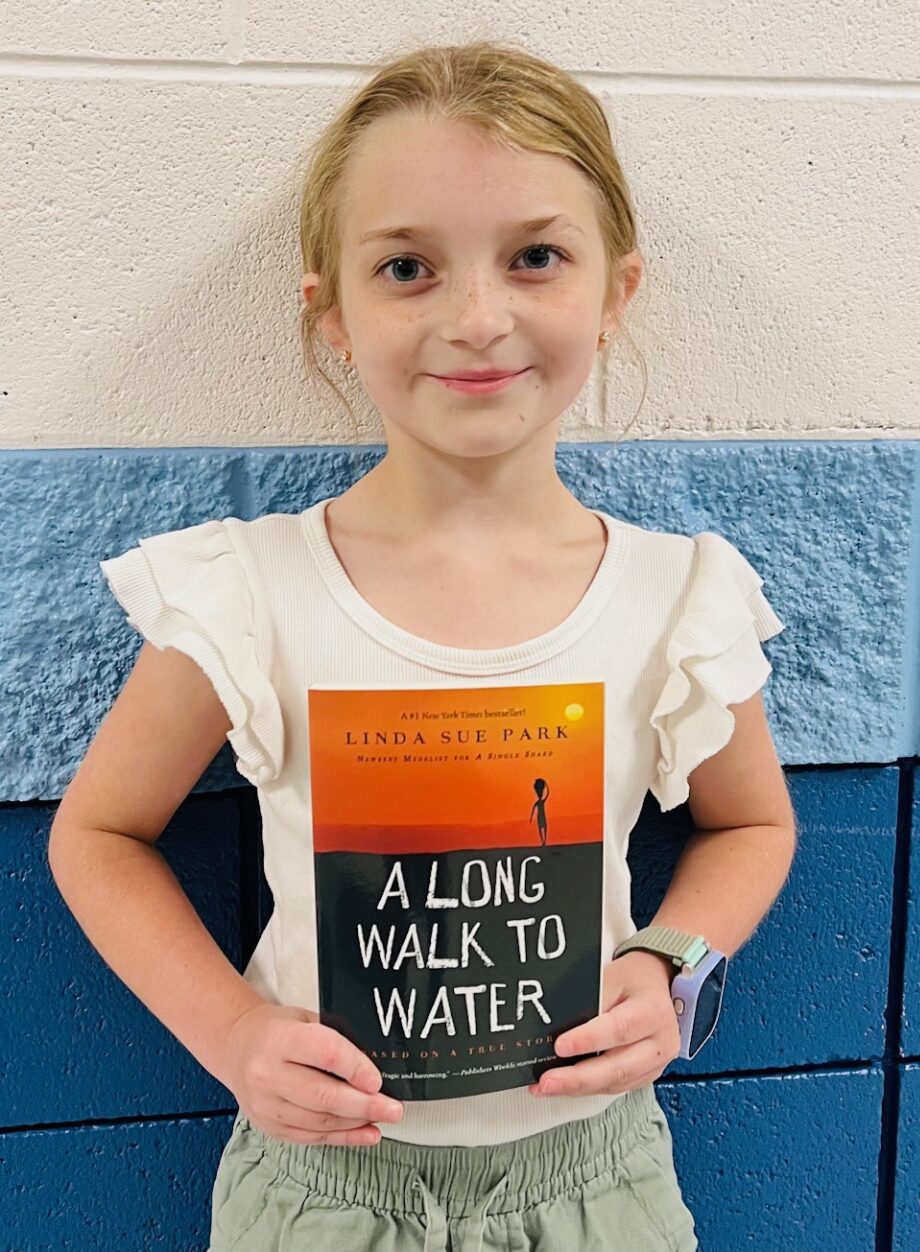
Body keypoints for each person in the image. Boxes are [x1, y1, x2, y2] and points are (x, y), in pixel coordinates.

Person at [49, 38, 796, 1252]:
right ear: (332, 314)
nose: (477, 316)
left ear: (615, 290)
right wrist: (232, 1035)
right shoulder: (248, 591)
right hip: (323, 1189)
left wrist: (672, 964)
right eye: (408, 267)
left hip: (596, 1178)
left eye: (536, 256)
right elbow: (98, 834)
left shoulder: (678, 594)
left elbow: (752, 822)